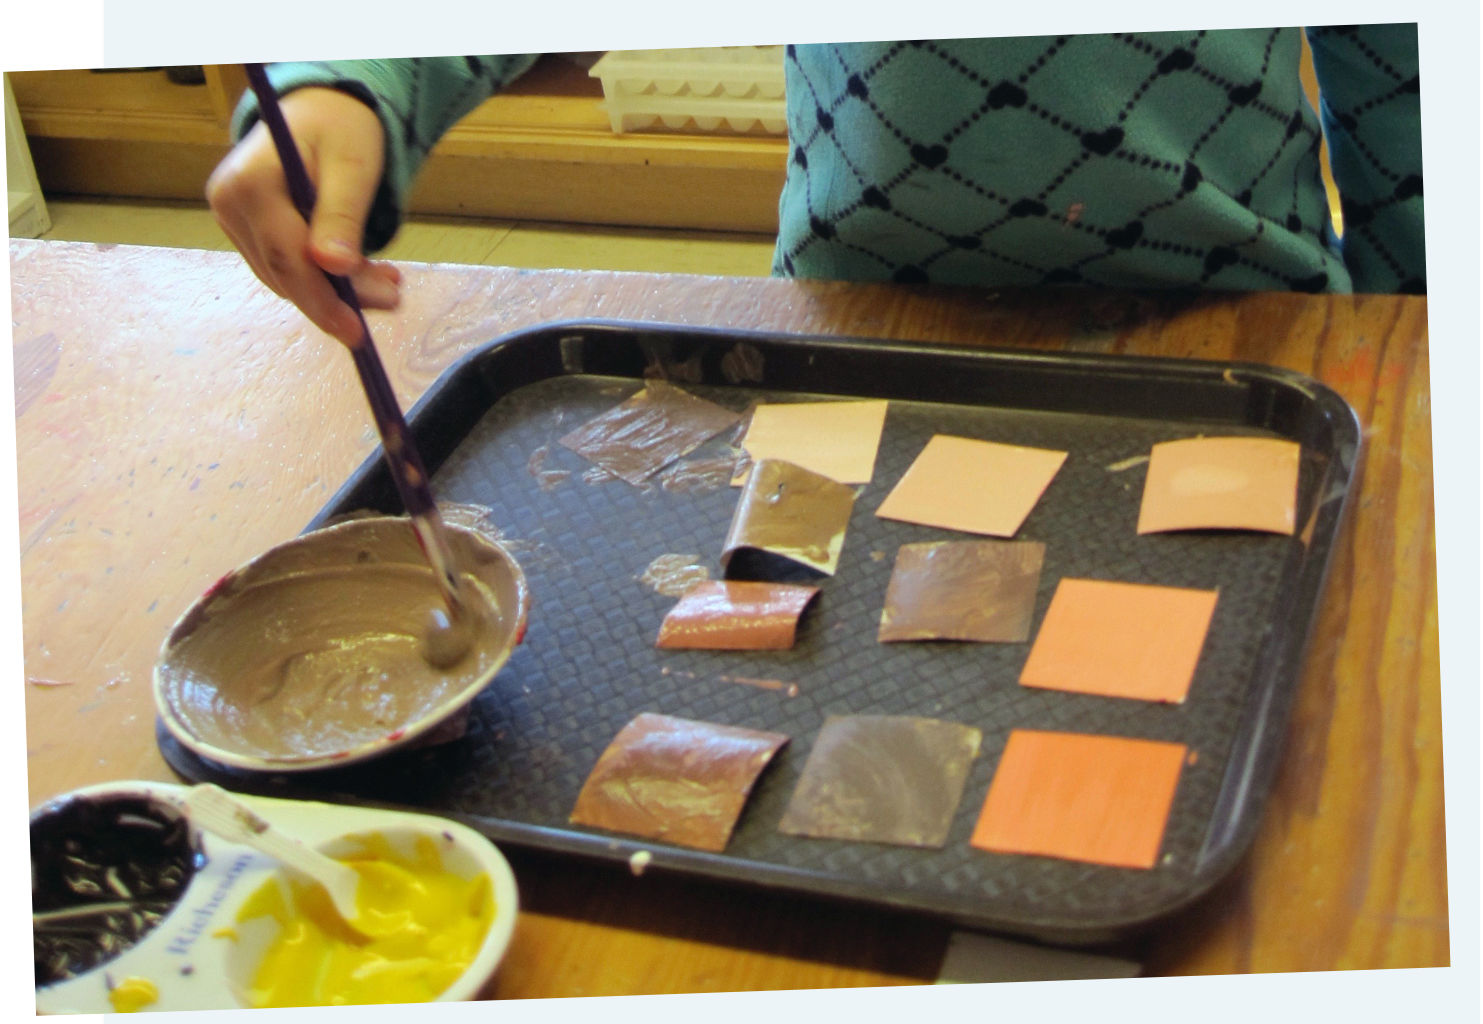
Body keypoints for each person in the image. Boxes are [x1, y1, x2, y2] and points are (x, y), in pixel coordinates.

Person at [206, 26, 1424, 347]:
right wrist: (349, 85)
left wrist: (1413, 335)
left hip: (1245, 317)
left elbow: (1411, 88)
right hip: (850, 325)